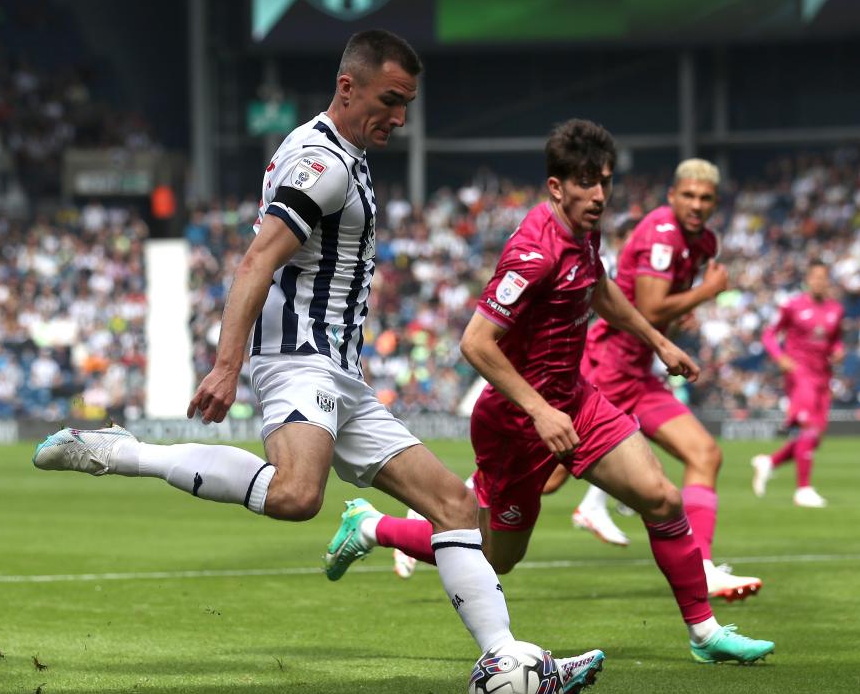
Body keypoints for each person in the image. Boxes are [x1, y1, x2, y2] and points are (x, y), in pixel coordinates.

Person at [31, 30, 604, 694]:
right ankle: (123, 452)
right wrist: (227, 364)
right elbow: (258, 260)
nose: (399, 117)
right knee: (298, 495)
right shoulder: (323, 163)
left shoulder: (343, 153)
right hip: (298, 359)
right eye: (390, 100)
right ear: (347, 87)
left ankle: (510, 661)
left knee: (456, 506)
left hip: (340, 371)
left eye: (407, 104)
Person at [324, 120, 774, 665]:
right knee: (496, 557)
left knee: (662, 497)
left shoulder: (585, 231)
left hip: (576, 400)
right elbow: (475, 343)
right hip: (515, 422)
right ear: (557, 187)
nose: (600, 194)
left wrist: (657, 341)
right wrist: (539, 411)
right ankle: (372, 526)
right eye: (586, 182)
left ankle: (705, 634)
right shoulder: (533, 253)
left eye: (605, 180)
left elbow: (599, 286)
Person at [560, 158, 761, 601]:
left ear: (715, 203)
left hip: (639, 373)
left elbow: (661, 301)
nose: (696, 204)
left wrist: (684, 306)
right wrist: (706, 293)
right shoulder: (661, 232)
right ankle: (436, 520)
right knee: (544, 476)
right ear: (672, 196)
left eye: (705, 198)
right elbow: (651, 307)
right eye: (688, 195)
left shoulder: (704, 242)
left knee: (705, 453)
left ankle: (702, 568)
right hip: (608, 368)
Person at [752, 261, 845, 508]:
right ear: (808, 279)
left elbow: (836, 340)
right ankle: (803, 490)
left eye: (823, 277)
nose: (819, 281)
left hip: (823, 375)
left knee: (815, 437)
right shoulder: (792, 306)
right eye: (815, 277)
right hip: (799, 372)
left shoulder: (835, 309)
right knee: (808, 428)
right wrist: (779, 357)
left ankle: (769, 462)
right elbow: (769, 334)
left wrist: (838, 350)